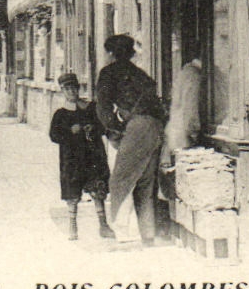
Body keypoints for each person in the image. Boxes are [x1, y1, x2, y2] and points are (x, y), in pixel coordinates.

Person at [96, 34, 166, 246]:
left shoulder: (108, 73)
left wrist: (114, 130)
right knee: (145, 181)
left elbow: (103, 109)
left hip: (136, 127)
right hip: (155, 127)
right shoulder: (141, 75)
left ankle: (123, 232)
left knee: (120, 181)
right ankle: (148, 234)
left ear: (110, 53)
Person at [49, 72, 112, 241]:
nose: (71, 92)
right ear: (63, 91)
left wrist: (93, 128)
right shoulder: (60, 114)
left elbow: (103, 127)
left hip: (93, 157)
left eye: (74, 88)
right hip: (72, 159)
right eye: (67, 89)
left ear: (78, 89)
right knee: (72, 194)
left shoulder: (90, 108)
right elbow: (54, 135)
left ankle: (103, 225)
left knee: (97, 190)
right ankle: (72, 226)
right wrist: (70, 132)